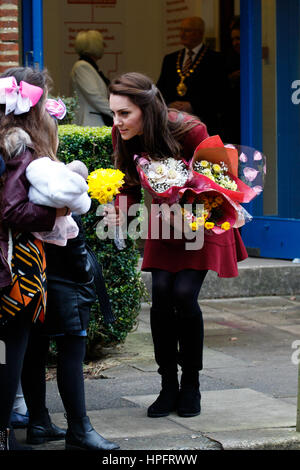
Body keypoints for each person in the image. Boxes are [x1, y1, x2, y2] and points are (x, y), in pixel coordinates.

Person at [105, 72, 248, 419]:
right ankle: (167, 384)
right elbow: (126, 183)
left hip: (205, 217)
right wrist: (120, 212)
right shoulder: (124, 136)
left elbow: (221, 184)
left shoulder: (189, 131)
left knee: (184, 294)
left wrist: (189, 216)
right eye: (113, 114)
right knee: (161, 297)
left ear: (146, 108)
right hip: (163, 222)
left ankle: (192, 384)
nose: (117, 122)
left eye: (124, 114)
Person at [18, 112, 119, 450]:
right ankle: (80, 429)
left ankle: (39, 422)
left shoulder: (21, 175)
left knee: (33, 349)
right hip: (65, 276)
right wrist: (83, 275)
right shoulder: (54, 175)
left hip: (31, 273)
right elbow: (68, 236)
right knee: (71, 351)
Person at [0, 67, 70, 451]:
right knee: (10, 358)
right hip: (17, 268)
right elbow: (12, 211)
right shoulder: (21, 146)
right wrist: (55, 214)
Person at [156, 16, 229, 139]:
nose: (182, 34)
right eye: (181, 30)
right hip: (174, 125)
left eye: (187, 31)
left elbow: (220, 94)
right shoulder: (170, 59)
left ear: (199, 33)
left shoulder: (216, 59)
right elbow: (160, 89)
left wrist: (193, 105)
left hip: (203, 124)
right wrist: (169, 104)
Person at [71, 30, 113, 127]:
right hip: (90, 123)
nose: (104, 47)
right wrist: (116, 111)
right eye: (101, 43)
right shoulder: (82, 67)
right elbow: (94, 97)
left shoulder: (90, 67)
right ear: (94, 46)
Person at [225, 16, 241, 143]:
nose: (236, 42)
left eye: (239, 38)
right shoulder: (227, 58)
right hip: (233, 116)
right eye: (233, 39)